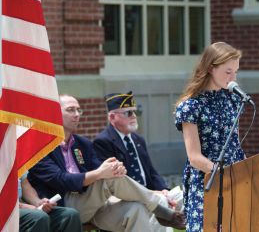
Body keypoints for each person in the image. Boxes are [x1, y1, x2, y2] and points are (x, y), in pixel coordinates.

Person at [28, 94, 185, 231]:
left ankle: (158, 206)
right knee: (108, 178)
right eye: (70, 110)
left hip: (95, 206)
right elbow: (62, 180)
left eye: (78, 110)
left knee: (136, 209)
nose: (76, 114)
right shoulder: (40, 147)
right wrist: (101, 173)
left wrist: (115, 168)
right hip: (65, 207)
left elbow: (102, 170)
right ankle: (160, 207)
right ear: (54, 111)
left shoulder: (82, 143)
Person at [174, 42, 246, 232]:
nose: (233, 78)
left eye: (236, 72)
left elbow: (235, 145)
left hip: (236, 178)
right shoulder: (191, 106)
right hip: (207, 179)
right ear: (211, 68)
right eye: (228, 72)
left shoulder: (233, 99)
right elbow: (194, 157)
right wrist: (222, 174)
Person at [93, 91, 177, 232]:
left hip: (151, 193)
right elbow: (117, 181)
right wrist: (153, 193)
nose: (134, 116)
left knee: (185, 197)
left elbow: (151, 171)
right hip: (123, 199)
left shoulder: (138, 139)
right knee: (160, 202)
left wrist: (163, 189)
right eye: (128, 113)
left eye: (134, 112)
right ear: (112, 117)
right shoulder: (103, 141)